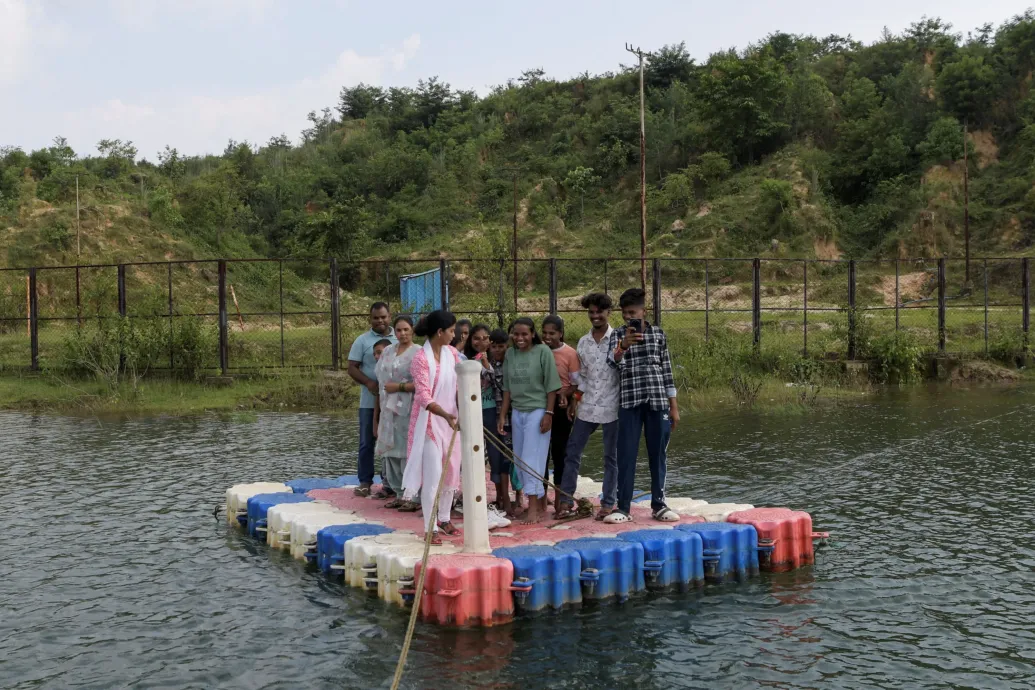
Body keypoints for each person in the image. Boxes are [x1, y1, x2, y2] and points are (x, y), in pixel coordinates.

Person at [604, 288, 680, 524]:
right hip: (629, 402)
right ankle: (623, 507)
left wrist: (674, 406)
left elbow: (667, 370)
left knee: (658, 454)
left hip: (657, 402)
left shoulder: (658, 334)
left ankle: (659, 504)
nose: (628, 318)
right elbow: (612, 362)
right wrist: (623, 346)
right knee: (626, 454)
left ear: (643, 311)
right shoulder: (617, 335)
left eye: (633, 312)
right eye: (625, 313)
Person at [556, 293, 620, 521]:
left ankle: (608, 503)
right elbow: (581, 378)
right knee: (572, 451)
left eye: (599, 312)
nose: (595, 316)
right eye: (591, 312)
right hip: (587, 405)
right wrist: (575, 399)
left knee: (610, 457)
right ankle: (565, 500)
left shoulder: (619, 339)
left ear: (608, 313)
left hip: (613, 406)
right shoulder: (583, 342)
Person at [403, 310, 463, 541]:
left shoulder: (452, 354)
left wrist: (459, 411)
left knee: (451, 471)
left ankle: (445, 518)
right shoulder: (420, 359)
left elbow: (459, 384)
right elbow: (423, 397)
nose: (454, 334)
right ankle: (430, 528)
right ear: (440, 332)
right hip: (430, 422)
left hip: (451, 421)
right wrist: (445, 414)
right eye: (451, 330)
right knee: (433, 475)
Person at [498, 317, 561, 524]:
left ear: (533, 334)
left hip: (538, 410)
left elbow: (552, 386)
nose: (520, 338)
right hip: (517, 411)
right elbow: (507, 388)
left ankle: (533, 507)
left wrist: (549, 414)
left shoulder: (543, 352)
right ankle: (533, 501)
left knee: (531, 459)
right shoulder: (510, 354)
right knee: (518, 459)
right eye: (516, 334)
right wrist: (502, 415)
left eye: (524, 334)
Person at [347, 302, 396, 497]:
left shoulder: (398, 337)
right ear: (370, 318)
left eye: (383, 317)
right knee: (367, 442)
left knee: (393, 442)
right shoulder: (362, 341)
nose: (380, 321)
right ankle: (365, 481)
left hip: (394, 403)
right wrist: (369, 383)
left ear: (389, 316)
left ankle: (390, 483)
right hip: (369, 402)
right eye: (376, 317)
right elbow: (352, 367)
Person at [374, 317, 420, 512]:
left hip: (408, 409)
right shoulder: (388, 351)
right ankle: (399, 494)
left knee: (406, 453)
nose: (402, 334)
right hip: (388, 409)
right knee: (391, 453)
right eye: (399, 330)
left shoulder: (418, 353)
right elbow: (380, 377)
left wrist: (399, 387)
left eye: (406, 330)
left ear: (412, 330)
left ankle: (413, 496)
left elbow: (422, 383)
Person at [468, 326, 513, 516]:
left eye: (485, 338)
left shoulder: (498, 361)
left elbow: (498, 383)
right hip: (475, 412)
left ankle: (504, 497)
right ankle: (486, 497)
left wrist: (486, 364)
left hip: (494, 412)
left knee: (501, 453)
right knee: (480, 454)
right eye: (476, 338)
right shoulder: (467, 361)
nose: (482, 342)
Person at [541, 315, 579, 518]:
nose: (547, 337)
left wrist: (568, 396)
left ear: (560, 333)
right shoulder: (538, 351)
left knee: (560, 452)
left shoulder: (570, 354)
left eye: (552, 333)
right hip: (540, 403)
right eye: (544, 333)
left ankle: (560, 502)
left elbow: (576, 382)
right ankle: (540, 500)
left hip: (561, 404)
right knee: (541, 453)